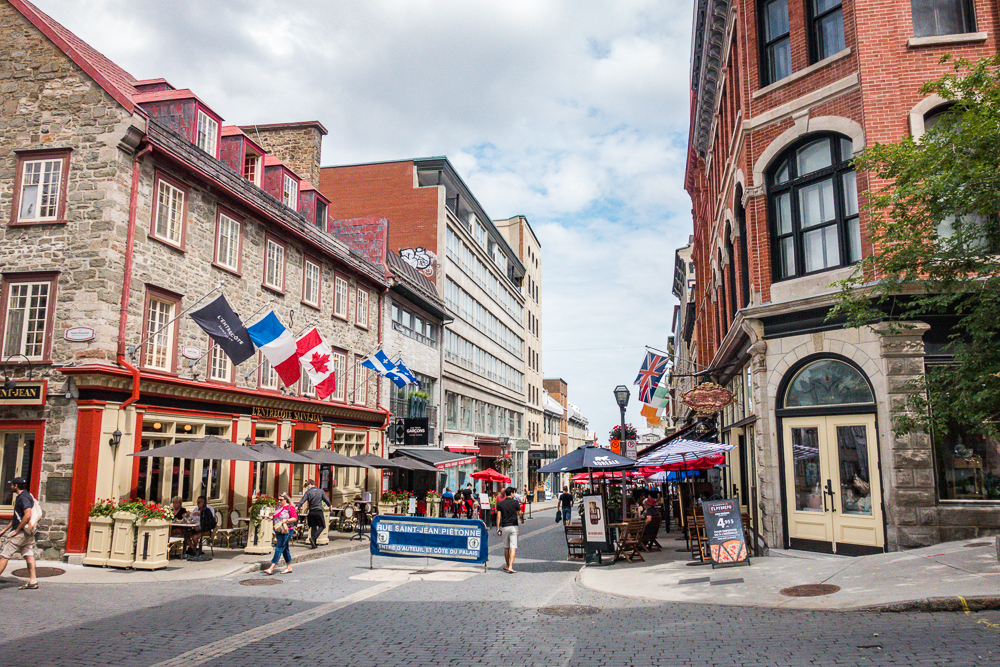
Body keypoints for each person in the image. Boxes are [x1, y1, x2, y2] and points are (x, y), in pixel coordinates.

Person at [0, 477, 38, 589]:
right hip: (27, 532)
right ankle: (33, 581)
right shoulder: (26, 495)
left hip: (20, 533)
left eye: (12, 485)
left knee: (4, 556)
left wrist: (16, 530)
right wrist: (4, 530)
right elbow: (17, 518)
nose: (11, 486)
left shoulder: (23, 498)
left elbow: (27, 515)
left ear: (16, 486)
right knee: (28, 554)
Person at [264, 493, 297, 575]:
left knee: (279, 547)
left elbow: (294, 518)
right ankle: (289, 567)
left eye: (281, 500)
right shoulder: (278, 507)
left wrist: (287, 520)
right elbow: (277, 515)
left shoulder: (290, 508)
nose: (279, 501)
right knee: (285, 548)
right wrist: (271, 517)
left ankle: (271, 567)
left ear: (286, 500)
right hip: (278, 529)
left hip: (287, 530)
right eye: (278, 499)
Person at [296, 479, 331, 549]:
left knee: (313, 527)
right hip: (318, 511)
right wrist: (330, 505)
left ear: (310, 484)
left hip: (311, 511)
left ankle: (313, 544)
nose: (307, 487)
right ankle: (313, 538)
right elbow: (326, 500)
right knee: (322, 526)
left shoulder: (308, 492)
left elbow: (303, 500)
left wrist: (297, 506)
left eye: (308, 485)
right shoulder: (320, 491)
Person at [495, 486, 521, 573]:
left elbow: (498, 516)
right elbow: (520, 513)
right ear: (511, 493)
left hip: (505, 527)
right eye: (513, 493)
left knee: (506, 547)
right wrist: (522, 519)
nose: (514, 494)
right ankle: (510, 566)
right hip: (514, 526)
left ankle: (506, 564)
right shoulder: (515, 502)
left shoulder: (500, 504)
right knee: (513, 547)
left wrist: (498, 528)